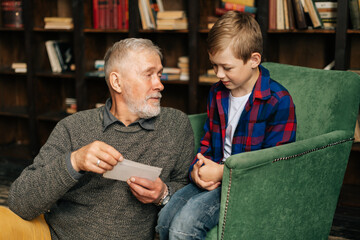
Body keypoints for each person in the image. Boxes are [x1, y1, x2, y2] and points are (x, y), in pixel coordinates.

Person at [2, 38, 195, 240]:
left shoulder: (175, 125)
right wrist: (74, 161)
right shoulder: (73, 127)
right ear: (117, 82)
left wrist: (164, 194)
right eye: (149, 75)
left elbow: (188, 188)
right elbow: (19, 201)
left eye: (159, 74)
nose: (160, 84)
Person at [156, 11, 297, 240]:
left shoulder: (277, 100)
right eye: (214, 66)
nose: (219, 74)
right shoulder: (217, 93)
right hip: (215, 175)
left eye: (227, 67)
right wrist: (197, 169)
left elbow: (273, 166)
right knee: (164, 219)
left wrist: (222, 172)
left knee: (185, 225)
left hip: (244, 183)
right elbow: (208, 141)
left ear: (254, 60)